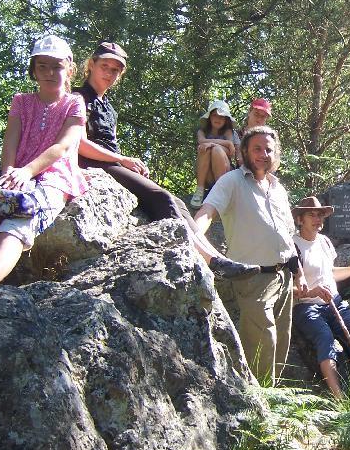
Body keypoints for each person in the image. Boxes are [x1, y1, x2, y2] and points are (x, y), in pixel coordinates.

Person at [76, 41, 256, 280]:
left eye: (115, 70)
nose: (109, 73)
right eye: (104, 66)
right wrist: (123, 160)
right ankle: (210, 259)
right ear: (91, 65)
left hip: (112, 164)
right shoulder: (78, 98)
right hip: (95, 165)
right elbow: (78, 143)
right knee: (161, 198)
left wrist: (128, 164)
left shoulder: (108, 107)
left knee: (177, 203)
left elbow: (111, 142)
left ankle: (214, 255)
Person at [195, 125, 306, 384]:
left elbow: (287, 237)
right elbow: (207, 212)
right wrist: (195, 235)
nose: (263, 154)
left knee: (281, 340)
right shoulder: (231, 181)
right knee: (262, 341)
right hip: (251, 279)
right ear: (244, 150)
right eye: (257, 148)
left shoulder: (278, 188)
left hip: (284, 278)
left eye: (268, 149)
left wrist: (298, 273)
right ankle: (258, 400)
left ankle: (271, 395)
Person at [0, 35, 87, 286]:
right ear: (33, 70)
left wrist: (27, 172)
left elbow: (62, 146)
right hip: (15, 172)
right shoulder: (21, 101)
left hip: (54, 178)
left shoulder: (74, 103)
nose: (49, 72)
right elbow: (10, 141)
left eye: (56, 66)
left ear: (69, 68)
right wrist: (8, 174)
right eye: (42, 66)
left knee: (19, 223)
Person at [291, 196, 350, 398]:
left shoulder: (325, 242)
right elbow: (285, 288)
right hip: (306, 306)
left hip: (334, 301)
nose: (317, 219)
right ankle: (339, 397)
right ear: (300, 219)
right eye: (311, 214)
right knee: (325, 337)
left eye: (320, 215)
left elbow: (330, 273)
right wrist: (312, 292)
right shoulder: (292, 246)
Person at [191, 99, 239, 208]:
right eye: (214, 115)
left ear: (226, 120)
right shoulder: (202, 131)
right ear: (209, 117)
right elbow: (202, 142)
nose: (218, 119)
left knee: (216, 150)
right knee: (204, 149)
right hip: (207, 175)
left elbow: (231, 152)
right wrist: (225, 143)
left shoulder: (228, 132)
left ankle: (221, 192)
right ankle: (199, 189)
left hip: (223, 173)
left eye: (221, 117)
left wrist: (215, 145)